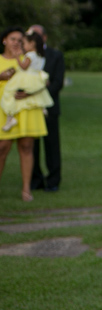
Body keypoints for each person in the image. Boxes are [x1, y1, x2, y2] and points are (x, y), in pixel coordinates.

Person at [0, 27, 47, 201]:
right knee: (2, 147)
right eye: (13, 39)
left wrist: (30, 92)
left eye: (20, 40)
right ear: (4, 40)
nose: (16, 43)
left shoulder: (29, 60)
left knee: (27, 146)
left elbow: (42, 80)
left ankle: (26, 188)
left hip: (26, 108)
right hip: (4, 109)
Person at [28, 24, 64, 193]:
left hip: (49, 106)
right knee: (31, 145)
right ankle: (35, 179)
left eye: (35, 34)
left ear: (44, 37)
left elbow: (58, 82)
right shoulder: (25, 57)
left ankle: (53, 180)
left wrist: (40, 94)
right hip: (30, 107)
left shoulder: (56, 56)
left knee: (52, 145)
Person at [1, 31, 54, 132]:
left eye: (22, 43)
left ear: (32, 44)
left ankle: (10, 116)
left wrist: (17, 58)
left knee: (9, 92)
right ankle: (43, 107)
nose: (21, 45)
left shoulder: (29, 55)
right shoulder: (40, 55)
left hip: (26, 79)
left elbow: (24, 67)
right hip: (37, 78)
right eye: (13, 39)